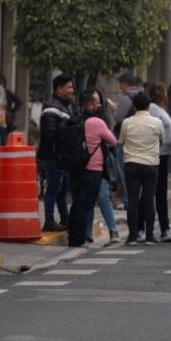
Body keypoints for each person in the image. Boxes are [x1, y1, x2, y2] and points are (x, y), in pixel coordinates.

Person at [68, 90, 118, 247]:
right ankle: (81, 238)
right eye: (96, 102)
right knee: (86, 204)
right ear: (89, 104)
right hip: (93, 169)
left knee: (77, 203)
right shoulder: (97, 122)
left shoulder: (74, 120)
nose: (99, 104)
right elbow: (113, 142)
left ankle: (74, 237)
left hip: (75, 168)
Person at [120, 91, 165, 245]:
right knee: (149, 200)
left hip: (131, 163)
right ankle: (150, 235)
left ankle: (132, 235)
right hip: (151, 164)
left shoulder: (127, 122)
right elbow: (162, 139)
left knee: (133, 200)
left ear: (134, 106)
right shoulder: (157, 122)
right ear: (149, 105)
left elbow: (122, 140)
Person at [37, 73, 75, 232]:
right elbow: (49, 134)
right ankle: (50, 221)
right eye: (69, 87)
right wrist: (58, 151)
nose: (72, 90)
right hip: (53, 156)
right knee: (54, 187)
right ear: (59, 89)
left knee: (62, 187)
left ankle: (65, 219)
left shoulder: (62, 105)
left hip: (60, 157)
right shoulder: (52, 107)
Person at [147, 82, 171, 240]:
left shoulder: (159, 109)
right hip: (157, 155)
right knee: (154, 193)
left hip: (163, 155)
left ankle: (164, 228)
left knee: (160, 193)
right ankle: (153, 229)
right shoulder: (153, 109)